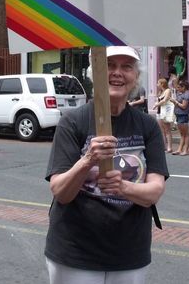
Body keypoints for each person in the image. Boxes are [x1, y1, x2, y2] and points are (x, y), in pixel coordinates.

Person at [45, 46, 169, 284]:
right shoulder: (73, 122)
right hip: (75, 252)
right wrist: (87, 160)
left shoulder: (147, 126)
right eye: (109, 65)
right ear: (95, 74)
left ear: (135, 78)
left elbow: (154, 192)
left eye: (126, 67)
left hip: (129, 253)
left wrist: (122, 187)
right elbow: (61, 192)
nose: (117, 73)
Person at [170, 80, 189, 156]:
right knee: (182, 134)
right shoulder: (181, 94)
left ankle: (185, 150)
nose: (178, 88)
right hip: (179, 115)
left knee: (186, 134)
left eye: (179, 87)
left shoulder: (186, 95)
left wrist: (175, 102)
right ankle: (179, 149)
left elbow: (184, 106)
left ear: (184, 87)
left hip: (183, 115)